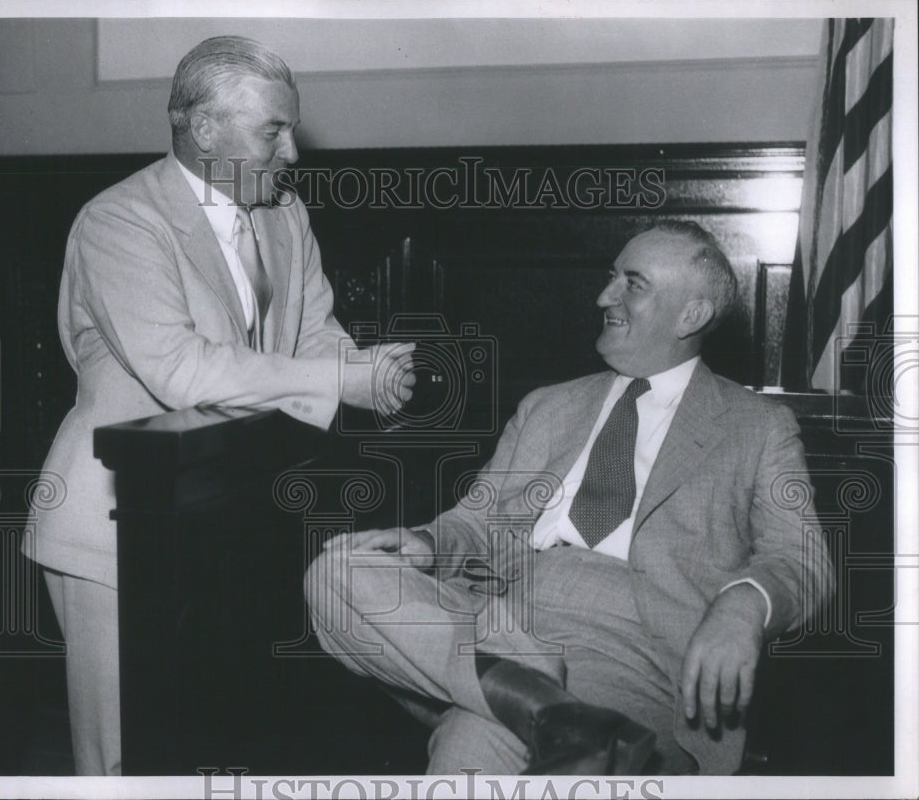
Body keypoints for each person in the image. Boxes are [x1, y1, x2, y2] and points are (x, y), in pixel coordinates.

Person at [305, 221, 833, 775]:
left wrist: (745, 603)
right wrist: (426, 542)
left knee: (474, 733)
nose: (604, 296)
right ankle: (545, 699)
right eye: (611, 278)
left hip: (632, 650)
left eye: (633, 283)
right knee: (335, 570)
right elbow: (475, 521)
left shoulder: (757, 426)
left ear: (691, 315)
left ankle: (528, 699)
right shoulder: (546, 406)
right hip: (497, 621)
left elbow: (802, 559)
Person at [24, 36, 414, 775]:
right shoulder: (120, 222)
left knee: (213, 746)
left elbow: (312, 337)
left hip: (228, 520)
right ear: (204, 129)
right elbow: (178, 371)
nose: (293, 152)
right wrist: (338, 384)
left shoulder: (283, 215)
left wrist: (370, 371)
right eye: (274, 130)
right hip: (113, 525)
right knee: (121, 763)